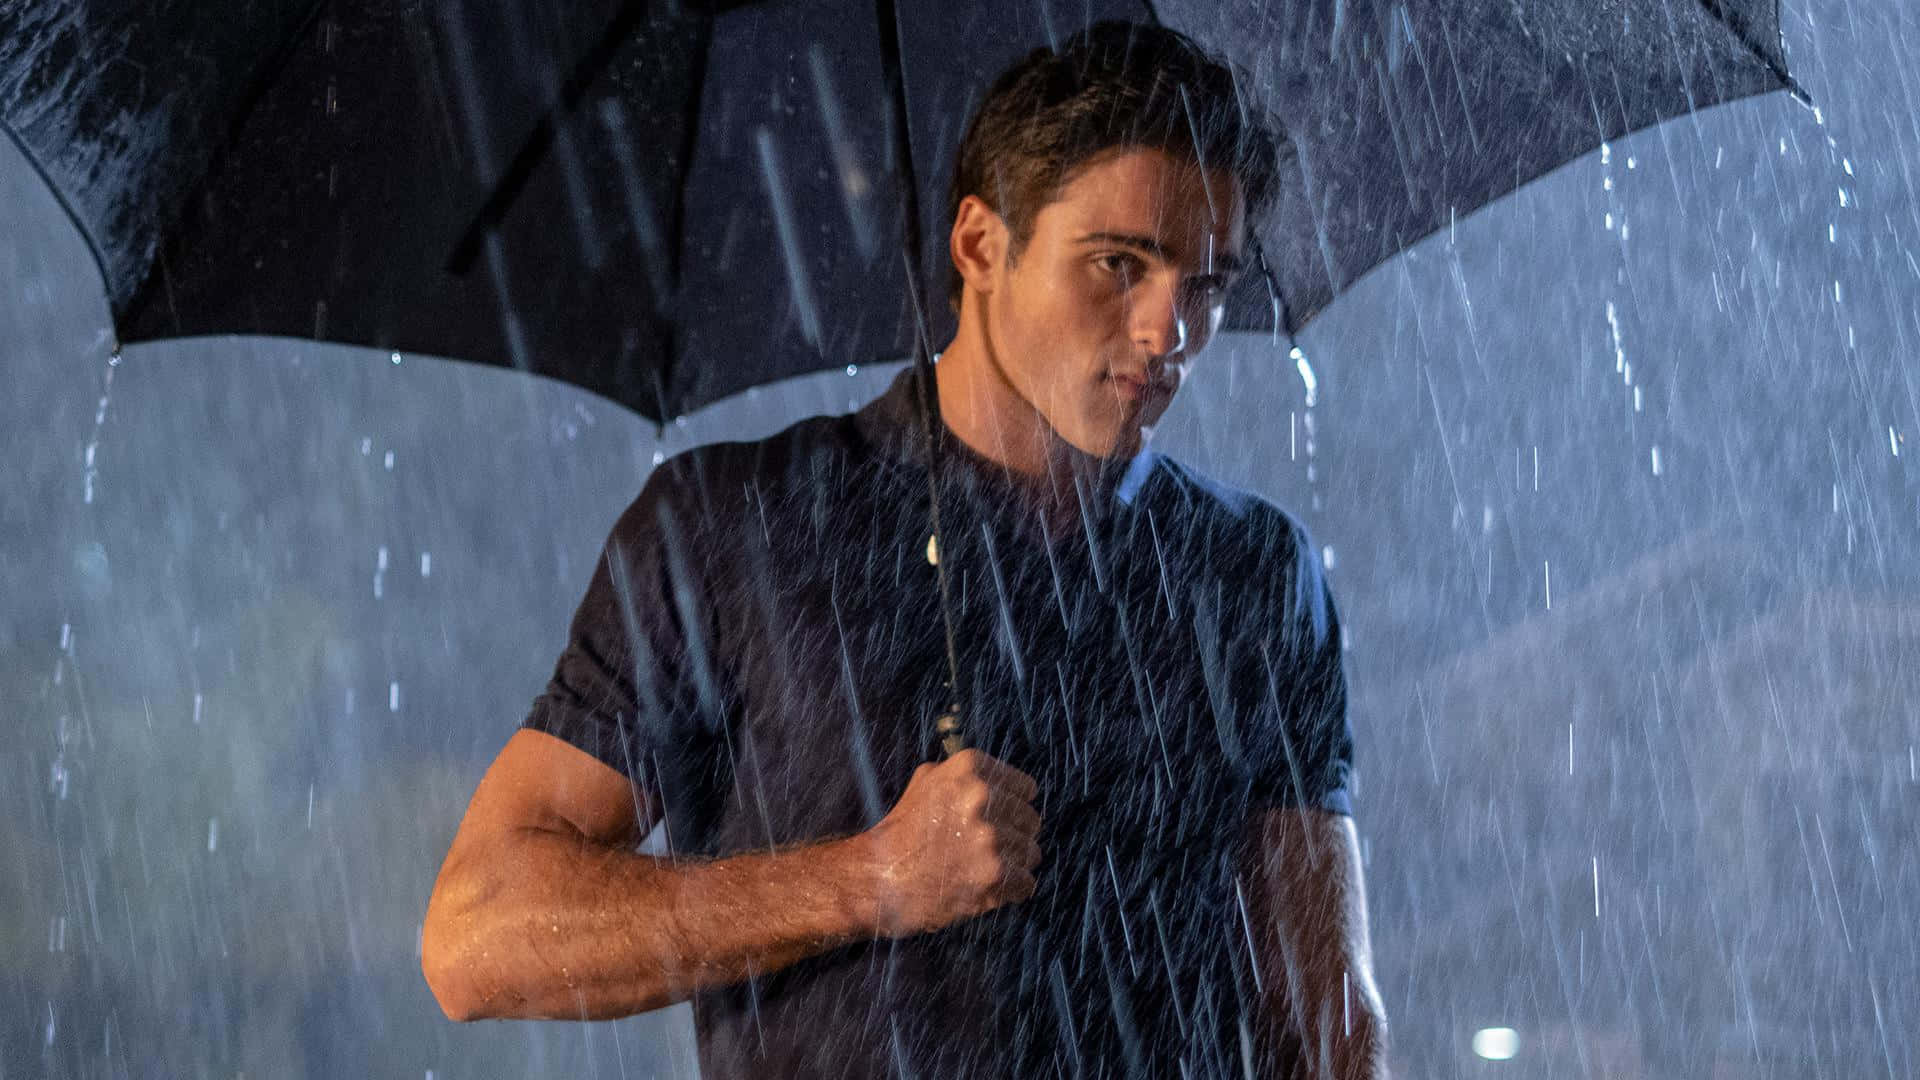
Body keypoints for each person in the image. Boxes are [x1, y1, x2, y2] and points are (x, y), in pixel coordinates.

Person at [422, 20, 1388, 1079]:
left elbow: (1330, 1024)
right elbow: (478, 933)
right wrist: (871, 879)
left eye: (1206, 282)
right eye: (1120, 264)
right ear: (980, 245)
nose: (1170, 333)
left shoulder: (1254, 573)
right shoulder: (729, 526)